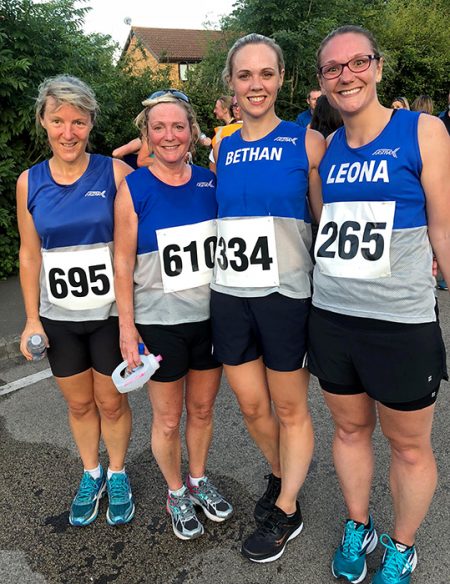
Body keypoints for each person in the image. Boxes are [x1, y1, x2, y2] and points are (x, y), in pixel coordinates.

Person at [309, 25, 450, 584]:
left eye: (358, 62)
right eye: (334, 68)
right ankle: (358, 525)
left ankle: (402, 545)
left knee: (410, 447)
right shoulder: (327, 149)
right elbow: (323, 225)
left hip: (401, 322)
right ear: (322, 83)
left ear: (378, 67)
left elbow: (443, 226)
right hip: (335, 317)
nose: (347, 74)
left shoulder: (424, 131)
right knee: (348, 432)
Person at [211, 33, 325, 562]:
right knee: (253, 406)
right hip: (231, 295)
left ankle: (286, 506)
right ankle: (282, 472)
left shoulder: (307, 143)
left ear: (281, 79)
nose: (255, 85)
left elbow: (325, 224)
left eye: (266, 74)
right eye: (244, 75)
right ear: (231, 83)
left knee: (288, 405)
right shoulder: (223, 146)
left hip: (285, 297)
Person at [113, 89, 233, 541]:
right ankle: (175, 490)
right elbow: (122, 263)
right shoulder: (134, 188)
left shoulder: (209, 181)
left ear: (192, 132)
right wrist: (128, 330)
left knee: (201, 410)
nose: (169, 135)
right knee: (167, 418)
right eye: (158, 127)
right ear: (146, 135)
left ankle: (198, 480)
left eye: (178, 126)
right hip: (159, 323)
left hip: (210, 318)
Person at [16, 75, 135, 527]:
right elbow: (29, 254)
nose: (68, 132)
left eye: (79, 122)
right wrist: (31, 320)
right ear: (43, 122)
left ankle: (119, 473)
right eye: (58, 120)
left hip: (108, 316)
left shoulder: (115, 173)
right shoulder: (30, 183)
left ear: (90, 124)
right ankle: (92, 473)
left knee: (111, 402)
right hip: (58, 318)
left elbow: (135, 246)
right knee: (80, 404)